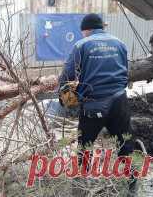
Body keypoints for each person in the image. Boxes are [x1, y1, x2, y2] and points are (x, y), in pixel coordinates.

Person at [58, 14, 136, 192]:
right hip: (120, 103)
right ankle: (132, 186)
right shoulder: (120, 43)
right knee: (125, 145)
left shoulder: (81, 45)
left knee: (85, 147)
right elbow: (126, 74)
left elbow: (66, 78)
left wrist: (64, 101)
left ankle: (80, 187)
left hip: (93, 105)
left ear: (86, 29)